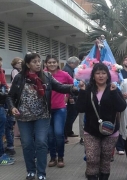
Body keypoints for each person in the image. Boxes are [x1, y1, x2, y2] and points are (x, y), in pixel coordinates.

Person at [6, 52, 78, 180]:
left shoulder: (46, 76)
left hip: (42, 116)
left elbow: (60, 87)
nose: (38, 63)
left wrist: (74, 88)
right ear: (27, 64)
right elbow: (10, 96)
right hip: (23, 117)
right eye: (34, 61)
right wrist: (12, 107)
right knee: (27, 144)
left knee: (41, 143)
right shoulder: (19, 77)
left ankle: (41, 173)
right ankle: (30, 171)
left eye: (39, 61)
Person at [76, 63, 127, 180]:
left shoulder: (113, 88)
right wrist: (82, 92)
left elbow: (121, 107)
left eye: (103, 73)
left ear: (108, 75)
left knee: (105, 160)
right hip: (91, 131)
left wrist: (114, 93)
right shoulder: (88, 89)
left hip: (111, 131)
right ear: (93, 76)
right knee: (92, 158)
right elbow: (80, 108)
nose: (101, 76)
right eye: (98, 73)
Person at [45, 54, 74, 168]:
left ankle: (61, 157)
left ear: (57, 63)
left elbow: (73, 85)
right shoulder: (42, 74)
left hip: (60, 108)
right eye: (49, 62)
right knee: (50, 135)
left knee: (58, 133)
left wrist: (67, 95)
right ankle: (53, 157)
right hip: (45, 109)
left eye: (54, 62)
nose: (52, 64)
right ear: (46, 64)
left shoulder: (64, 74)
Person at [116, 55, 127, 155]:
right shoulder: (119, 73)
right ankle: (120, 146)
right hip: (122, 100)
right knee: (120, 123)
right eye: (125, 60)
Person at [63, 56, 80, 138]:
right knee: (71, 114)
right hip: (70, 95)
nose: (77, 66)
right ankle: (67, 131)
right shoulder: (67, 71)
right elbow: (68, 85)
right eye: (76, 64)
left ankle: (68, 131)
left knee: (72, 114)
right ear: (72, 63)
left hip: (70, 95)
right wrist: (70, 97)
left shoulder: (69, 69)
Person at [78, 52, 88, 145]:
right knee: (82, 118)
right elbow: (75, 82)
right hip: (83, 95)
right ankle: (82, 137)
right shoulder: (79, 70)